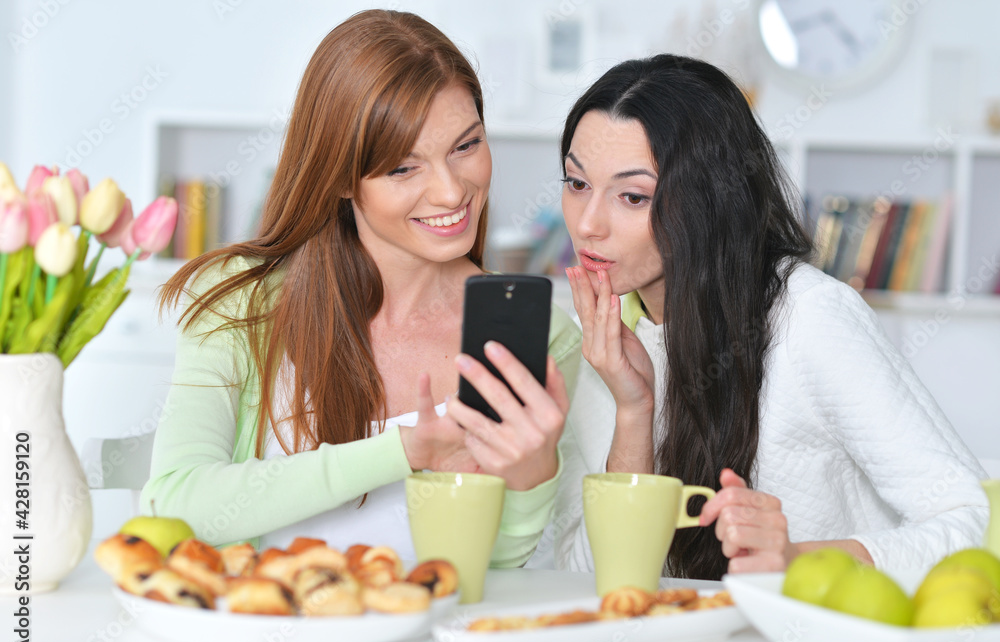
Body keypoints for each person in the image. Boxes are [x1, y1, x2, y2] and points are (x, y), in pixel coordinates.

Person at [140, 9, 580, 567]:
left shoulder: (542, 338)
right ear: (343, 177)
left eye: (465, 146)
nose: (451, 191)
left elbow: (497, 577)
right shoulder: (241, 304)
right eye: (403, 168)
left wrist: (531, 480)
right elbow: (177, 504)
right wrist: (403, 451)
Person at [550, 54, 988, 580]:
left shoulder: (810, 319)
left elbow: (972, 523)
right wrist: (633, 409)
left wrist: (796, 561)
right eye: (576, 184)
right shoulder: (595, 334)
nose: (588, 224)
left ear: (708, 201)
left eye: (632, 196)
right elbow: (592, 575)